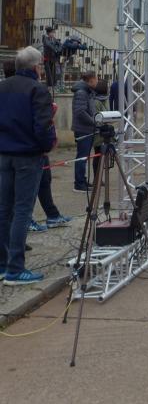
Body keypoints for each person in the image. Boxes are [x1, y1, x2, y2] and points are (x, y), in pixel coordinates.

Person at [0, 46, 56, 285]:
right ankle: (15, 269)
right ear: (35, 67)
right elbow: (43, 126)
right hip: (28, 155)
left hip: (4, 154)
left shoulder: (2, 87)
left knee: (4, 210)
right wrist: (46, 146)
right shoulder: (37, 89)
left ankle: (3, 264)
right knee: (22, 210)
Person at [71, 71, 97, 192]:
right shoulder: (82, 93)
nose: (97, 81)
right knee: (82, 157)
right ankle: (79, 183)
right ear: (91, 80)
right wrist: (93, 121)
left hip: (87, 128)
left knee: (84, 156)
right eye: (96, 79)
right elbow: (80, 112)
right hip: (83, 129)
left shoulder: (87, 92)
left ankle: (82, 180)